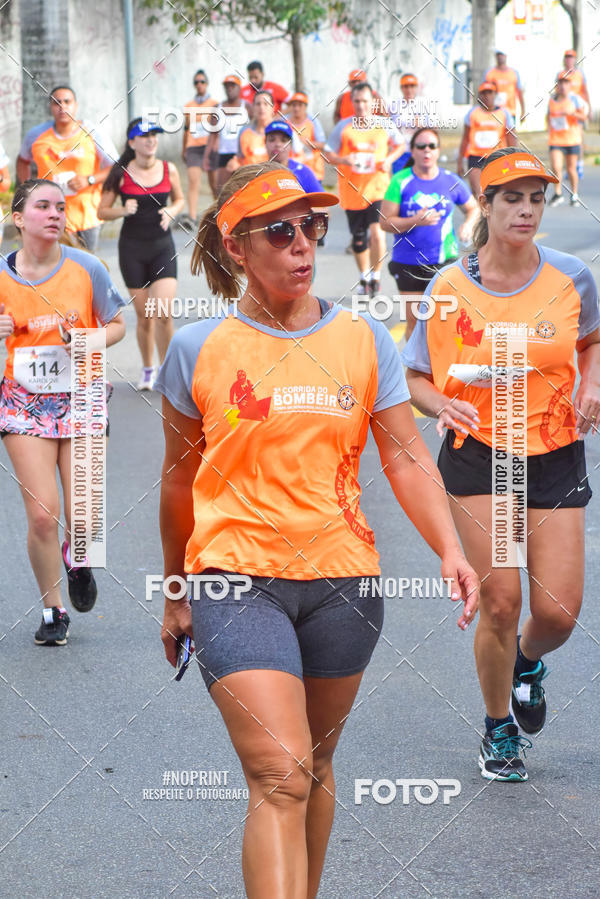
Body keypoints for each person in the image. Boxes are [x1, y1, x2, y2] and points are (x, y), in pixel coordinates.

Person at [155, 161, 479, 897]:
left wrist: (451, 548)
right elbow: (178, 481)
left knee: (315, 766)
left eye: (313, 227)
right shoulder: (196, 347)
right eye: (280, 230)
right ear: (237, 246)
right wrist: (176, 590)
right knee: (279, 768)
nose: (302, 245)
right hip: (235, 578)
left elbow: (402, 457)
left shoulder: (364, 338)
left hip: (344, 583)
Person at [402, 148, 600, 782]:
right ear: (483, 206)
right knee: (502, 598)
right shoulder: (448, 287)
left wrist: (591, 383)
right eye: (511, 198)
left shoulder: (572, 277)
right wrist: (444, 403)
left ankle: (527, 662)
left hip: (553, 449)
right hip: (484, 453)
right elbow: (413, 377)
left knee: (559, 615)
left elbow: (593, 340)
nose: (526, 210)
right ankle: (499, 729)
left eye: (536, 198)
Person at [0, 179, 126, 645]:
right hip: (24, 400)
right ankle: (54, 611)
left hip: (84, 394)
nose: (55, 213)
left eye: (61, 206)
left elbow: (117, 325)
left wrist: (90, 340)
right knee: (40, 515)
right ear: (19, 218)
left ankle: (79, 556)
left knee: (84, 515)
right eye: (43, 206)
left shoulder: (87, 267)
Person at [98, 118, 184, 390]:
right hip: (132, 250)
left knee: (163, 313)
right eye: (144, 135)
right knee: (145, 317)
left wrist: (173, 210)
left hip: (162, 248)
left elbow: (180, 199)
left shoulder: (169, 169)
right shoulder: (120, 173)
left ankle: (169, 371)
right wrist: (123, 210)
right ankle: (148, 368)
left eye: (155, 135)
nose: (151, 140)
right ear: (132, 142)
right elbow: (102, 211)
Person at [381, 128, 478, 339]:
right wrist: (416, 221)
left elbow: (474, 208)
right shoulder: (400, 181)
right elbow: (385, 222)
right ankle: (416, 370)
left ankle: (440, 369)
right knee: (416, 323)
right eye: (421, 146)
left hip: (443, 260)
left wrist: (468, 225)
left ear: (438, 151)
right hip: (408, 262)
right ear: (412, 151)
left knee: (444, 322)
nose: (427, 150)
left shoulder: (450, 180)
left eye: (432, 146)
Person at [325, 81, 405, 296]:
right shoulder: (344, 127)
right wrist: (344, 159)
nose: (361, 106)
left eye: (365, 101)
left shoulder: (384, 125)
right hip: (352, 192)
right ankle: (365, 277)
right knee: (358, 239)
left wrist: (389, 160)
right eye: (357, 101)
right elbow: (327, 154)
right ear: (352, 103)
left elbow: (401, 144)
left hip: (379, 189)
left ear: (373, 102)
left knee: (376, 234)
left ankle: (376, 277)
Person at [17, 86, 118, 252]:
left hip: (86, 214)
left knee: (85, 267)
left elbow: (116, 167)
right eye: (57, 102)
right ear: (50, 107)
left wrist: (89, 179)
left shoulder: (93, 132)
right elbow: (22, 161)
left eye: (67, 102)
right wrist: (26, 188)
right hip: (48, 214)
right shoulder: (36, 135)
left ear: (75, 105)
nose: (62, 107)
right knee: (52, 268)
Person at [458, 82, 517, 196]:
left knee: (497, 193)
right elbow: (465, 138)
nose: (487, 96)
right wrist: (460, 161)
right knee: (479, 193)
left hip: (498, 157)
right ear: (479, 96)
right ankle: (481, 213)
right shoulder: (472, 113)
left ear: (495, 95)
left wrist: (513, 160)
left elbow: (512, 139)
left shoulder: (504, 114)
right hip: (476, 158)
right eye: (484, 93)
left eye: (490, 93)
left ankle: (490, 213)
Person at [181, 69, 219, 226]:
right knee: (193, 181)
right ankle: (191, 216)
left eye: (202, 81)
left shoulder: (215, 104)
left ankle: (220, 212)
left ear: (207, 83)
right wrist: (183, 148)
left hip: (209, 148)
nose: (199, 84)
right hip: (194, 148)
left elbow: (219, 128)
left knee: (214, 183)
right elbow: (186, 129)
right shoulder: (189, 106)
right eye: (196, 82)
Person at [547, 72, 588, 208]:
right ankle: (558, 193)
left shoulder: (575, 100)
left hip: (572, 139)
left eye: (566, 83)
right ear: (557, 86)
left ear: (569, 86)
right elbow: (548, 117)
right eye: (560, 83)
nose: (563, 86)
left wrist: (573, 113)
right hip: (556, 140)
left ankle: (574, 194)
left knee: (571, 169)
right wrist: (549, 129)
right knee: (556, 167)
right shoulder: (552, 100)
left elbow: (583, 117)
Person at [203, 75, 250, 193]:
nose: (229, 88)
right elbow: (213, 135)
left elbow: (256, 128)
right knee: (221, 191)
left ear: (239, 88)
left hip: (242, 155)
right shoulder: (217, 108)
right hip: (224, 153)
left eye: (232, 85)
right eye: (227, 86)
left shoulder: (247, 107)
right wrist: (206, 156)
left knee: (243, 190)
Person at [388, 73, 436, 174]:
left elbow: (434, 130)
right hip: (400, 151)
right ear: (401, 88)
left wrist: (422, 127)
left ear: (416, 87)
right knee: (400, 181)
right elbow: (388, 128)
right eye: (406, 86)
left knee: (418, 181)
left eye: (412, 86)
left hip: (419, 151)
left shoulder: (425, 105)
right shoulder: (394, 106)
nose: (409, 89)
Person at [285, 92, 326, 181]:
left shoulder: (313, 122)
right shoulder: (284, 121)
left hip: (313, 173)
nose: (296, 108)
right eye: (294, 105)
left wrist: (306, 142)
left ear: (305, 107)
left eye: (300, 105)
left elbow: (323, 145)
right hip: (292, 172)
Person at [237, 91, 274, 166]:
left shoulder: (284, 129)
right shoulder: (244, 131)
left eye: (266, 104)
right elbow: (240, 159)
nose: (261, 107)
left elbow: (298, 156)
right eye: (258, 104)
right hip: (251, 175)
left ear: (273, 108)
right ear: (253, 107)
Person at [485, 51, 525, 122]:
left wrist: (523, 111)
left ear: (506, 56)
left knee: (510, 132)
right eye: (498, 55)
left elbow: (520, 92)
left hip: (510, 112)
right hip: (494, 112)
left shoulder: (514, 73)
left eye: (502, 55)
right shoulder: (489, 73)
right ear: (496, 57)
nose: (500, 57)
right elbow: (483, 93)